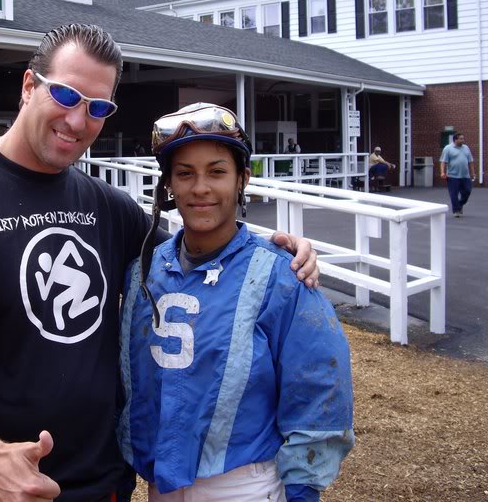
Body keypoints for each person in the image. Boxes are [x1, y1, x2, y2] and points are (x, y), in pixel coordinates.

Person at [0, 24, 321, 502]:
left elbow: (201, 259)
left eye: (98, 107)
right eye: (65, 94)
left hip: (101, 484)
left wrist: (276, 247)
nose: (78, 120)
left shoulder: (110, 208)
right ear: (28, 86)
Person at [119, 103, 354, 502]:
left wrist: (301, 491)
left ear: (243, 178)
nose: (200, 188)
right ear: (169, 186)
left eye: (217, 172)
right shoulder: (145, 270)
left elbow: (318, 394)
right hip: (158, 486)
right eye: (185, 174)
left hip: (244, 487)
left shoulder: (284, 277)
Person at [440, 132, 476, 217]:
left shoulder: (466, 148)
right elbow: (443, 162)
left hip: (465, 176)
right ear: (455, 139)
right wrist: (442, 172)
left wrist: (473, 173)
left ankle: (460, 204)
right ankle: (456, 210)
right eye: (461, 139)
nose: (463, 140)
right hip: (452, 176)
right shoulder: (448, 148)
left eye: (463, 138)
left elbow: (470, 161)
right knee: (454, 194)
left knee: (467, 191)